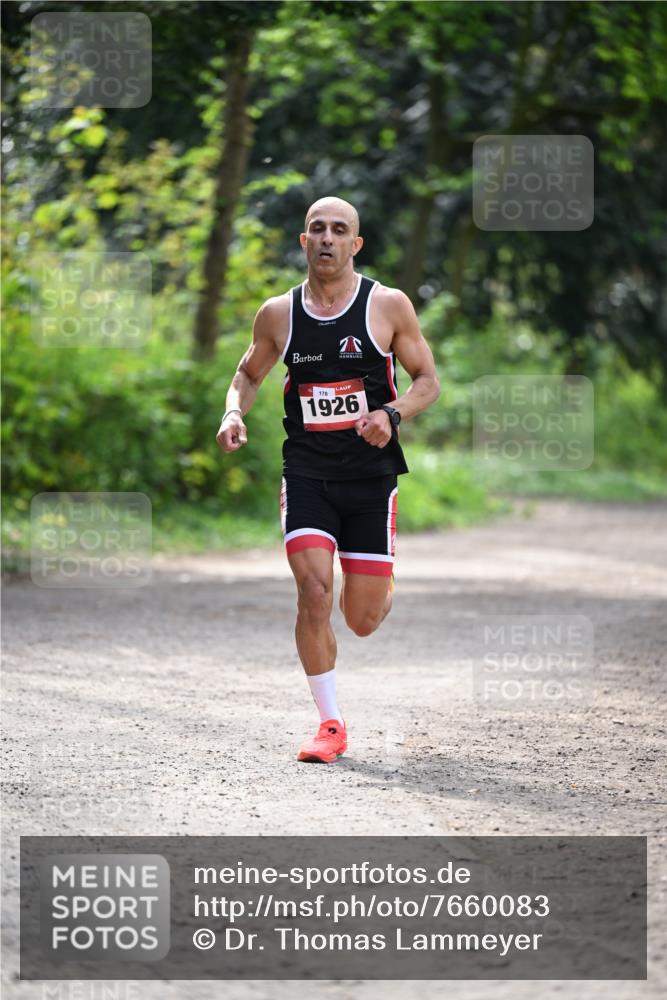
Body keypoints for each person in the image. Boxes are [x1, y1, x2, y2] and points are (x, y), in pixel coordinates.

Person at [216, 197, 440, 763]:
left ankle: (377, 583)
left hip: (370, 478)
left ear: (355, 244)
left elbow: (427, 382)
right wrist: (233, 411)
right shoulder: (278, 314)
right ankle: (330, 724)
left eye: (340, 230)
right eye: (317, 229)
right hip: (307, 471)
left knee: (362, 620)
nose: (327, 238)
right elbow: (248, 373)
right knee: (313, 592)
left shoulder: (387, 305)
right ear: (303, 240)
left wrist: (391, 415)